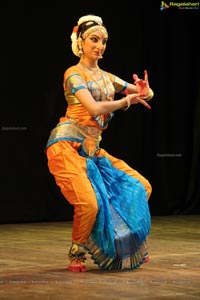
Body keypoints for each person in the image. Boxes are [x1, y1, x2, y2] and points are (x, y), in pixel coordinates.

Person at [45, 14, 154, 272]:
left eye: (104, 40)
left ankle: (131, 245)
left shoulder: (107, 78)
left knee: (141, 187)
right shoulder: (74, 74)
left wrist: (144, 89)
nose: (100, 45)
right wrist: (125, 102)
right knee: (89, 203)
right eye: (94, 39)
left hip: (93, 152)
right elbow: (93, 106)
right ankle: (77, 253)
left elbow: (144, 93)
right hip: (66, 147)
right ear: (81, 42)